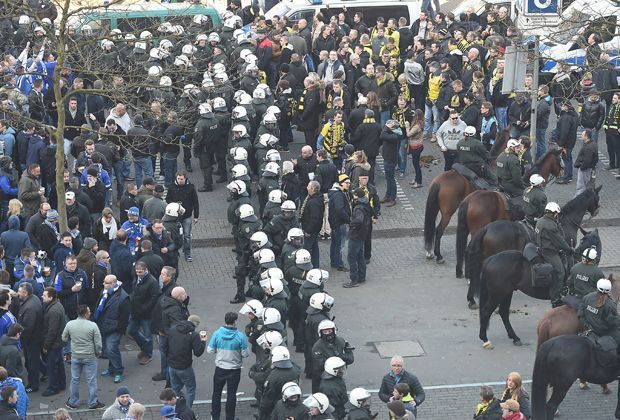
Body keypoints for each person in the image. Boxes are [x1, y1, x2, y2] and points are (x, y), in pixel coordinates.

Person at [207, 312, 250, 420]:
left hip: (220, 368)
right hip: (234, 370)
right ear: (235, 321)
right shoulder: (240, 336)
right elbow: (245, 354)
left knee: (216, 393)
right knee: (231, 394)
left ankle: (215, 416)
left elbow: (210, 350)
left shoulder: (217, 334)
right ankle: (230, 417)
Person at [62, 305, 105, 410]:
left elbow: (64, 338)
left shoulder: (70, 324)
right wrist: (97, 352)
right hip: (90, 356)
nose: (90, 313)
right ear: (86, 313)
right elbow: (98, 343)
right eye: (89, 311)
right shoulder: (93, 326)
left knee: (75, 379)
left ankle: (73, 402)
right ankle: (93, 403)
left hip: (76, 356)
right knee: (91, 380)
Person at [535, 202, 574, 307]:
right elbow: (559, 241)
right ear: (554, 213)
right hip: (549, 252)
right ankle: (555, 298)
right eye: (557, 214)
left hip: (541, 247)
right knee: (560, 272)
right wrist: (569, 249)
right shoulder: (550, 225)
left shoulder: (541, 220)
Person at [94, 275, 130, 384]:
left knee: (111, 348)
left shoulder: (123, 298)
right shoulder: (105, 292)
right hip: (104, 326)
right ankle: (111, 368)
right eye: (104, 282)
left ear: (113, 284)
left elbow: (125, 317)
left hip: (114, 329)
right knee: (108, 349)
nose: (104, 284)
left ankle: (118, 371)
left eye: (106, 283)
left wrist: (120, 330)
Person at [165, 314, 206, 408]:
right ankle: (186, 412)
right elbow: (198, 352)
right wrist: (203, 340)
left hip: (172, 365)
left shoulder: (173, 329)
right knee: (190, 389)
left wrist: (169, 358)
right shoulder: (193, 335)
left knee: (175, 388)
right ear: (196, 325)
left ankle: (176, 408)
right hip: (184, 367)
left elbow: (165, 346)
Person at [128, 261, 159, 365]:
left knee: (147, 335)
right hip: (135, 311)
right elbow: (134, 290)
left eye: (140, 272)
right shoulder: (137, 277)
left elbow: (154, 298)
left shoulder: (152, 282)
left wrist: (144, 307)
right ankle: (144, 347)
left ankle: (148, 354)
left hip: (146, 314)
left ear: (146, 270)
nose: (138, 274)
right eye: (137, 271)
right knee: (132, 330)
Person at [165, 171, 199, 262]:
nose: (180, 181)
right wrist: (174, 204)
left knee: (187, 235)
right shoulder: (172, 187)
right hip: (175, 217)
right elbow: (167, 198)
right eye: (178, 179)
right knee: (175, 235)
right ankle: (175, 251)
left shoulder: (191, 188)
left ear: (185, 178)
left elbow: (195, 202)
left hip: (187, 216)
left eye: (182, 179)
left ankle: (188, 253)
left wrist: (196, 216)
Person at [17, 283, 43, 393]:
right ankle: (46, 373)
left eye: (19, 291)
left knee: (32, 363)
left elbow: (28, 328)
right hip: (35, 338)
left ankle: (33, 385)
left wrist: (21, 341)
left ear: (25, 293)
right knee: (35, 360)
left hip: (31, 340)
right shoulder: (33, 298)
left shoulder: (30, 307)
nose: (18, 293)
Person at [344, 188, 372, 288]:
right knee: (360, 256)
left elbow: (359, 220)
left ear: (357, 196)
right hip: (362, 234)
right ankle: (362, 276)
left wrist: (351, 224)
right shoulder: (366, 204)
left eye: (354, 195)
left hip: (356, 235)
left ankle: (353, 279)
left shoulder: (358, 207)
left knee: (351, 257)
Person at [41, 287, 66, 397]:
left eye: (44, 295)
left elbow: (52, 331)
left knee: (52, 367)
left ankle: (53, 388)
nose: (42, 296)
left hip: (54, 343)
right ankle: (61, 384)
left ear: (51, 297)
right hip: (58, 342)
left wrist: (46, 345)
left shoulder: (53, 311)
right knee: (59, 364)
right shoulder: (56, 305)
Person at [328, 174, 351, 271]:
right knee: (339, 244)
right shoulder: (339, 195)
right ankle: (339, 264)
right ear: (341, 183)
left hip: (335, 222)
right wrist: (348, 220)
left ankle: (334, 261)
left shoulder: (335, 193)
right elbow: (340, 210)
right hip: (339, 223)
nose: (348, 185)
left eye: (349, 183)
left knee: (334, 243)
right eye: (346, 183)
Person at [300, 181, 325, 268]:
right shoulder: (316, 198)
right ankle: (315, 265)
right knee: (314, 247)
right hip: (315, 229)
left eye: (308, 187)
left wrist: (308, 230)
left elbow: (314, 218)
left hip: (310, 230)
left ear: (313, 189)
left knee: (307, 248)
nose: (307, 188)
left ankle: (307, 267)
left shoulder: (313, 202)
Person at [379, 120, 403, 207]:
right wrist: (388, 126)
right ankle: (388, 196)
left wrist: (387, 126)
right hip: (388, 158)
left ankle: (393, 198)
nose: (386, 126)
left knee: (391, 179)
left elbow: (382, 135)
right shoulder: (392, 133)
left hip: (391, 159)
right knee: (388, 178)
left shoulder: (395, 136)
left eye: (388, 125)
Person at [574, 129, 598, 197]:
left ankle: (578, 201)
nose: (581, 135)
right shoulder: (593, 144)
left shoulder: (588, 148)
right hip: (590, 168)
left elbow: (587, 161)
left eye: (583, 134)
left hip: (585, 169)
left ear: (586, 136)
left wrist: (582, 167)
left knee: (581, 187)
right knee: (589, 185)